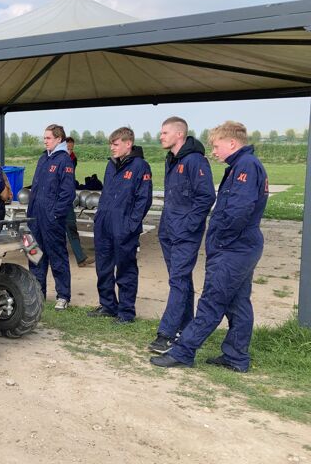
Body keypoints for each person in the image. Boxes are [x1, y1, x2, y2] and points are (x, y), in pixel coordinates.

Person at [152, 121, 269, 372]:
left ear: (232, 143)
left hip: (234, 248)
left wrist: (221, 241)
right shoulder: (240, 165)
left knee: (211, 301)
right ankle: (236, 356)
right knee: (238, 303)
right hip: (241, 246)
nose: (213, 151)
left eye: (216, 146)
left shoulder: (246, 166)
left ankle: (184, 351)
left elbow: (238, 211)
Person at [148, 117, 216, 354]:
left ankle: (166, 333)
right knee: (181, 280)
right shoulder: (172, 159)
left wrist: (188, 225)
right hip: (169, 230)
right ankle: (185, 327)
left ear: (179, 135)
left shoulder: (195, 160)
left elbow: (206, 196)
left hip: (185, 233)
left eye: (165, 132)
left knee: (178, 280)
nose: (161, 136)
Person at [88, 127, 152, 324]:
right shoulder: (111, 165)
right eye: (111, 144)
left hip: (124, 227)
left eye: (115, 144)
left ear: (128, 144)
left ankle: (126, 312)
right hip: (105, 225)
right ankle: (108, 305)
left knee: (125, 270)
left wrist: (131, 225)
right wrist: (99, 218)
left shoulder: (140, 166)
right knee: (103, 267)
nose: (112, 148)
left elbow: (144, 200)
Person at [27, 124, 76, 310]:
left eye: (48, 138)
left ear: (58, 139)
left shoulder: (64, 160)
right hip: (36, 217)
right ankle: (38, 293)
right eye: (45, 138)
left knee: (57, 257)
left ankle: (63, 295)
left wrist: (55, 214)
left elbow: (67, 192)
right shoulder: (43, 158)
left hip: (52, 219)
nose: (45, 140)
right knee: (35, 256)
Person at [64, 136, 94, 267]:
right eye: (67, 148)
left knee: (71, 227)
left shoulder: (73, 159)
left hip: (66, 199)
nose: (70, 150)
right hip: (54, 201)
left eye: (71, 148)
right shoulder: (50, 159)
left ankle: (81, 258)